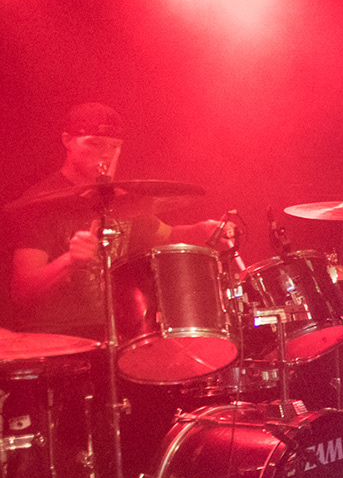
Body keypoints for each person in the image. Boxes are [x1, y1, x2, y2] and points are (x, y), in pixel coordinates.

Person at [8, 103, 226, 337]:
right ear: (67, 141)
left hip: (114, 334)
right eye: (94, 143)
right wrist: (69, 260)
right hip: (56, 337)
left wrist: (203, 231)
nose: (106, 154)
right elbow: (22, 291)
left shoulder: (123, 201)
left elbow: (167, 235)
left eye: (114, 146)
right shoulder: (41, 204)